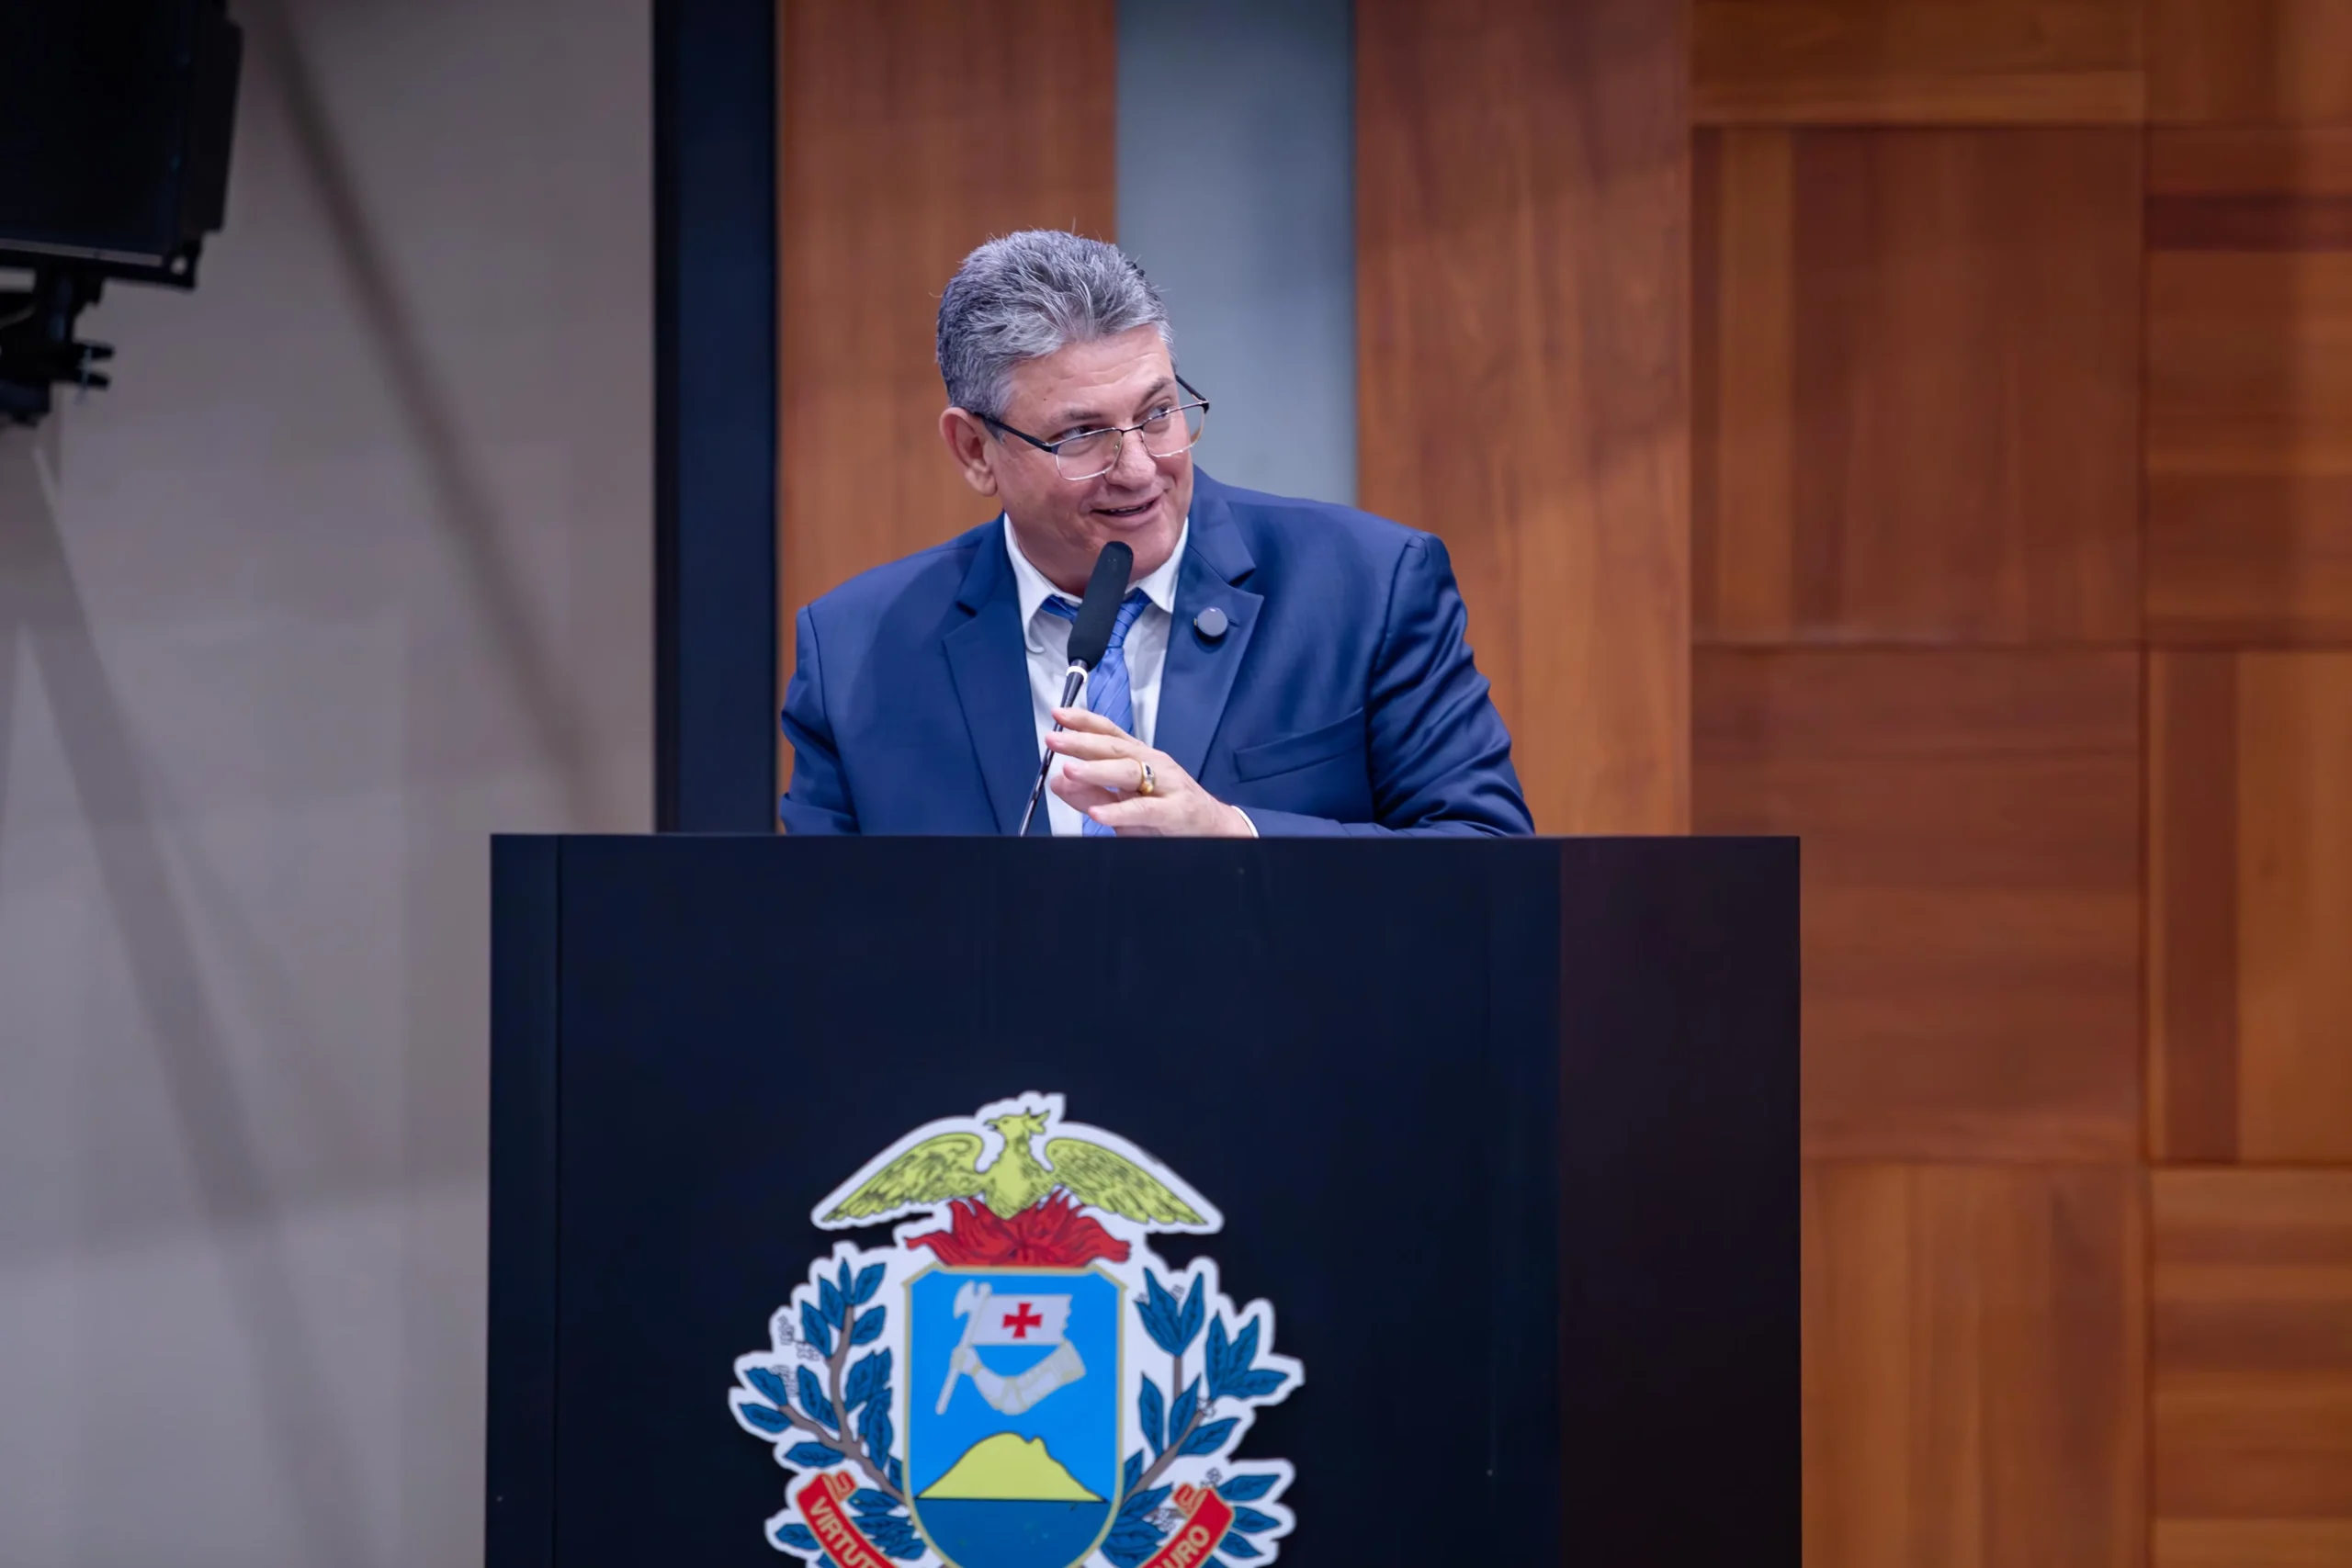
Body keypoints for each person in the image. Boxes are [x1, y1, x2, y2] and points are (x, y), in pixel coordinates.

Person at [778, 230, 1531, 838]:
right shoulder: (854, 656)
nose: (1139, 469)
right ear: (976, 450)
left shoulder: (1367, 588)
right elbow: (818, 936)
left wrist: (1237, 834)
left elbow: (1485, 856)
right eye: (1081, 435)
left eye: (1158, 413)